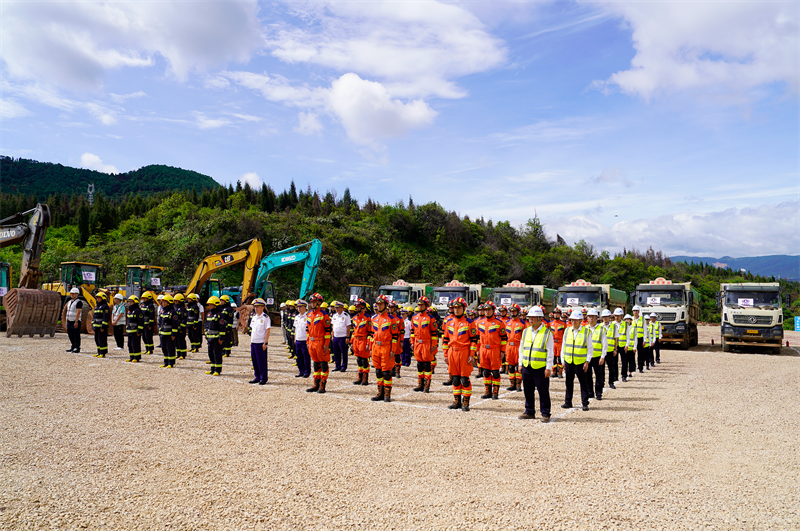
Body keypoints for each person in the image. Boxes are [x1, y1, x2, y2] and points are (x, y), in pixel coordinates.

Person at [441, 297, 479, 412]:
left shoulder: (470, 322)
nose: (456, 310)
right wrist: (445, 354)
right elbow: (445, 339)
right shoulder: (449, 322)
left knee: (464, 379)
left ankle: (466, 401)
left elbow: (474, 340)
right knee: (455, 379)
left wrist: (472, 354)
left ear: (464, 308)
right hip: (452, 352)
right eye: (455, 308)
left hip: (464, 352)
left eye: (459, 307)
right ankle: (457, 401)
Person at [518, 306, 555, 422]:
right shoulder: (526, 331)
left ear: (540, 318)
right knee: (527, 391)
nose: (530, 319)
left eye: (533, 317)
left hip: (540, 368)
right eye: (529, 317)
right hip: (527, 366)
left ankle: (545, 413)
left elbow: (550, 352)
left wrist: (548, 367)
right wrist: (520, 363)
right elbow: (521, 349)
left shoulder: (547, 333)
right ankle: (529, 411)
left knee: (543, 391)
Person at [368, 295, 399, 402]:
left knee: (386, 372)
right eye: (378, 304)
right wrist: (371, 348)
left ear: (386, 305)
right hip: (376, 347)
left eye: (381, 304)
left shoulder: (392, 319)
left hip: (386, 347)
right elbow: (372, 335)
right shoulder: (374, 319)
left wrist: (393, 350)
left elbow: (395, 336)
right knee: (378, 371)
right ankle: (380, 393)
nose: (379, 306)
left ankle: (387, 394)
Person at [561, 310, 592, 411]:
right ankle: (568, 402)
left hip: (580, 362)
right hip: (569, 361)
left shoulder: (586, 332)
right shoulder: (567, 331)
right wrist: (563, 360)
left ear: (580, 320)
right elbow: (563, 346)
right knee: (568, 383)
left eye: (575, 320)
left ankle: (585, 403)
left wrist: (587, 361)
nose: (573, 322)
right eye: (572, 320)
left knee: (583, 383)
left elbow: (590, 348)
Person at [477, 301, 508, 400]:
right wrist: (477, 350)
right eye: (485, 310)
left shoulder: (499, 323)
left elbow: (504, 338)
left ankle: (495, 391)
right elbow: (477, 338)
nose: (487, 311)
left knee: (495, 372)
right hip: (483, 349)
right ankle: (488, 391)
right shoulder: (479, 323)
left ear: (493, 310)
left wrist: (502, 351)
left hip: (495, 350)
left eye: (489, 310)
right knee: (485, 372)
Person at [305, 293, 333, 394]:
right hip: (312, 342)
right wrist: (308, 342)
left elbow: (328, 330)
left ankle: (322, 384)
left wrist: (326, 344)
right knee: (316, 364)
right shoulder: (309, 314)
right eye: (311, 302)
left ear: (319, 303)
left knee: (323, 363)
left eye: (314, 302)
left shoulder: (324, 315)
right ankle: (316, 384)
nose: (312, 304)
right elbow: (307, 329)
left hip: (320, 342)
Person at [411, 296, 438, 393]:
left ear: (426, 306)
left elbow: (434, 333)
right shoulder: (414, 317)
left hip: (427, 344)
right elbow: (412, 331)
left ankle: (427, 385)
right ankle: (420, 384)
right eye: (419, 305)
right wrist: (412, 342)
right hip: (417, 343)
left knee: (427, 364)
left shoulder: (430, 318)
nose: (420, 306)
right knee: (419, 364)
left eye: (422, 305)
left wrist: (434, 344)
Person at [585, 309, 607, 400]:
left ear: (596, 318)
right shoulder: (584, 329)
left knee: (599, 375)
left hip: (597, 356)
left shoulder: (601, 329)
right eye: (589, 316)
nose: (591, 318)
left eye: (593, 317)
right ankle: (590, 392)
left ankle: (598, 393)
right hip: (587, 357)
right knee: (587, 375)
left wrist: (602, 356)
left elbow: (605, 344)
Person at [247, 298, 271, 385]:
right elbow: (253, 330)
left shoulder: (265, 318)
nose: (256, 308)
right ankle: (257, 377)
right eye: (255, 306)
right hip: (254, 342)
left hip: (261, 343)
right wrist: (251, 341)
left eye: (258, 306)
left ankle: (263, 378)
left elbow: (268, 330)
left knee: (261, 361)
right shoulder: (254, 317)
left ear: (262, 307)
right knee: (255, 361)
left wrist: (265, 342)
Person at [504, 304, 526, 391]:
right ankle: (512, 384)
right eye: (511, 311)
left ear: (518, 312)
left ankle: (518, 384)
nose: (512, 313)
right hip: (509, 346)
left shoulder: (522, 323)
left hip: (518, 346)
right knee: (510, 366)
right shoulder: (507, 323)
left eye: (514, 311)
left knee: (518, 366)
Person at [351, 299, 372, 385]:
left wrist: (368, 344)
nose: (357, 308)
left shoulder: (367, 318)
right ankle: (360, 376)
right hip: (356, 340)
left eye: (358, 306)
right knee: (358, 360)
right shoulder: (354, 318)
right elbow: (354, 331)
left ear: (363, 307)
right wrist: (352, 342)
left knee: (364, 360)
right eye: (356, 306)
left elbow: (370, 332)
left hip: (363, 340)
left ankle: (365, 378)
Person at [204, 296, 224, 376]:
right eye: (209, 304)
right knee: (210, 354)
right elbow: (206, 325)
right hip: (210, 339)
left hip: (216, 339)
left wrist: (221, 338)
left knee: (217, 354)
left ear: (215, 305)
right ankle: (212, 369)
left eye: (211, 304)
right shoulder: (209, 314)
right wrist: (206, 334)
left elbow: (222, 327)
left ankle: (217, 370)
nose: (209, 306)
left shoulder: (219, 315)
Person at [158, 294, 178, 368]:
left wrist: (173, 334)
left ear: (169, 303)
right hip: (162, 333)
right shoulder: (162, 311)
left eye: (165, 302)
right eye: (162, 302)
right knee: (164, 348)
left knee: (170, 348)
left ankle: (171, 363)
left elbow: (175, 324)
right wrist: (160, 331)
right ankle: (166, 362)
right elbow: (160, 322)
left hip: (169, 335)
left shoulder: (173, 312)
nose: (163, 303)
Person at [330, 301, 352, 372]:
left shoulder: (346, 315)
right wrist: (332, 336)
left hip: (343, 337)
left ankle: (343, 366)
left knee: (344, 352)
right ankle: (337, 366)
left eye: (338, 307)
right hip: (336, 336)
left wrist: (347, 337)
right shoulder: (334, 316)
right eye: (335, 307)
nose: (336, 309)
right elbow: (333, 326)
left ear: (342, 308)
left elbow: (348, 327)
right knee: (336, 352)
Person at [293, 299, 311, 379]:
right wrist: (295, 338)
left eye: (300, 307)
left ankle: (307, 371)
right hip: (298, 339)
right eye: (298, 307)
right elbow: (296, 328)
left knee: (306, 357)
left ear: (305, 307)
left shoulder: (308, 317)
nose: (299, 308)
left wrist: (309, 340)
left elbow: (310, 329)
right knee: (299, 357)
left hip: (305, 340)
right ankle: (301, 371)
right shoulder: (297, 317)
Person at [601, 309, 618, 390]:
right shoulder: (599, 326)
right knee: (601, 368)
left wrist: (615, 349)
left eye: (606, 317)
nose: (605, 318)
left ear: (609, 317)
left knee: (611, 367)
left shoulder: (614, 326)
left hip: (610, 350)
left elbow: (616, 338)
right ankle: (602, 382)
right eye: (604, 317)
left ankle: (611, 382)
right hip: (601, 351)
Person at [124, 295, 143, 362]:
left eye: (131, 301)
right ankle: (131, 357)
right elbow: (128, 321)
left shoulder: (138, 311)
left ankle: (136, 357)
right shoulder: (129, 310)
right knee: (129, 344)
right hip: (130, 331)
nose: (129, 303)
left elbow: (141, 321)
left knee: (135, 344)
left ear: (135, 302)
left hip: (135, 332)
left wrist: (139, 330)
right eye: (129, 301)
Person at [631, 306, 650, 373]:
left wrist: (644, 340)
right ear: (632, 312)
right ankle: (633, 367)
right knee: (632, 353)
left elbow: (645, 330)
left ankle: (640, 367)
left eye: (636, 311)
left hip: (640, 338)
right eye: (634, 311)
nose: (635, 312)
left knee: (640, 354)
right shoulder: (631, 319)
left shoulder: (642, 319)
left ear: (638, 312)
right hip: (633, 339)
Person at [92, 292, 111, 358]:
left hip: (101, 327)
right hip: (96, 327)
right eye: (97, 298)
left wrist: (103, 326)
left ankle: (103, 353)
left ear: (103, 298)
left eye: (99, 298)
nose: (97, 299)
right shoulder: (97, 306)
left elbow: (106, 317)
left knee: (102, 340)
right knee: (97, 339)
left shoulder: (105, 306)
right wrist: (93, 324)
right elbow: (94, 316)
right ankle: (99, 352)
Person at [64, 287, 83, 353]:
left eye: (73, 293)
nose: (72, 294)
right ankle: (73, 346)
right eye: (71, 293)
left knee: (76, 334)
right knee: (70, 334)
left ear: (77, 294)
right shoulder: (69, 302)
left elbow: (78, 312)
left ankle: (77, 347)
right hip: (69, 320)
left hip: (75, 321)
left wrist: (76, 321)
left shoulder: (79, 302)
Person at [549, 308, 566, 378]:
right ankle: (554, 371)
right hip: (553, 342)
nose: (556, 315)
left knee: (560, 357)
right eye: (555, 313)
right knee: (553, 357)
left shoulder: (563, 324)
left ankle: (560, 371)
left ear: (560, 314)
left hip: (560, 342)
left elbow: (565, 334)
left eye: (558, 313)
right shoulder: (550, 324)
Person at [613, 308, 629, 382]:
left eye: (618, 316)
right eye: (616, 316)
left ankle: (624, 376)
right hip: (615, 346)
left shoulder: (625, 324)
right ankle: (615, 376)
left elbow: (628, 335)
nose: (617, 317)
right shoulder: (612, 324)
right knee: (614, 362)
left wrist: (627, 345)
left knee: (624, 362)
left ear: (621, 316)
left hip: (623, 345)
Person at [173, 293, 188, 359]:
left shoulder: (183, 309)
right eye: (175, 300)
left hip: (181, 328)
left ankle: (183, 354)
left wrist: (181, 328)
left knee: (181, 341)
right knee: (176, 341)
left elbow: (184, 319)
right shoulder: (175, 308)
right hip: (176, 328)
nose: (176, 302)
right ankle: (178, 353)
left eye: (177, 301)